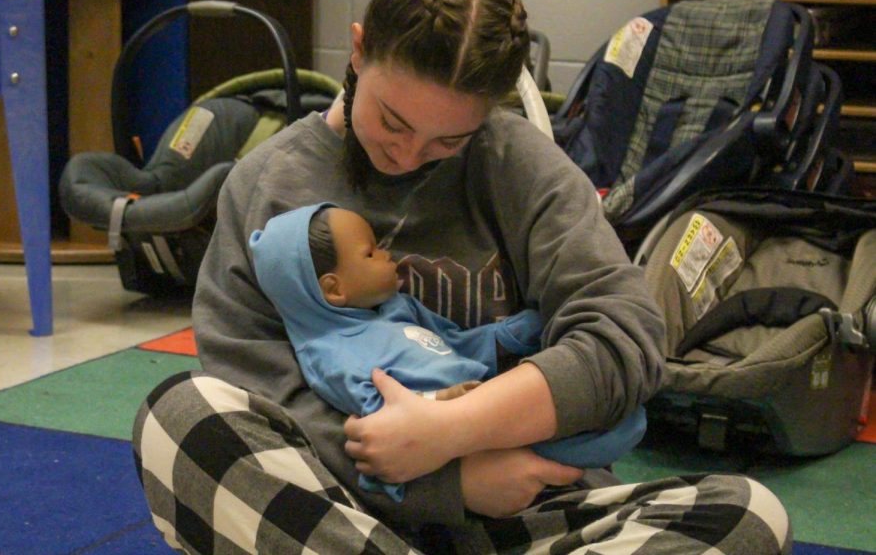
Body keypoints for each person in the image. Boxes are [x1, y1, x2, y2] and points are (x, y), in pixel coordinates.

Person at [132, 0, 793, 553]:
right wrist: (447, 482)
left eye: (448, 140)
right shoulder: (267, 184)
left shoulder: (522, 164)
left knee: (749, 514)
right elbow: (258, 387)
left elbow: (626, 341)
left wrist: (453, 432)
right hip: (347, 509)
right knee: (180, 418)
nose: (409, 155)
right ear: (359, 51)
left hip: (529, 504)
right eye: (392, 122)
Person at [248, 203, 648, 501]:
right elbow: (373, 412)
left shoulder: (398, 310)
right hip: (462, 445)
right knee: (616, 429)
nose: (387, 254)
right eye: (370, 253)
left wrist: (506, 336)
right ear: (334, 288)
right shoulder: (331, 353)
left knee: (618, 411)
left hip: (493, 398)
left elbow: (453, 342)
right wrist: (439, 403)